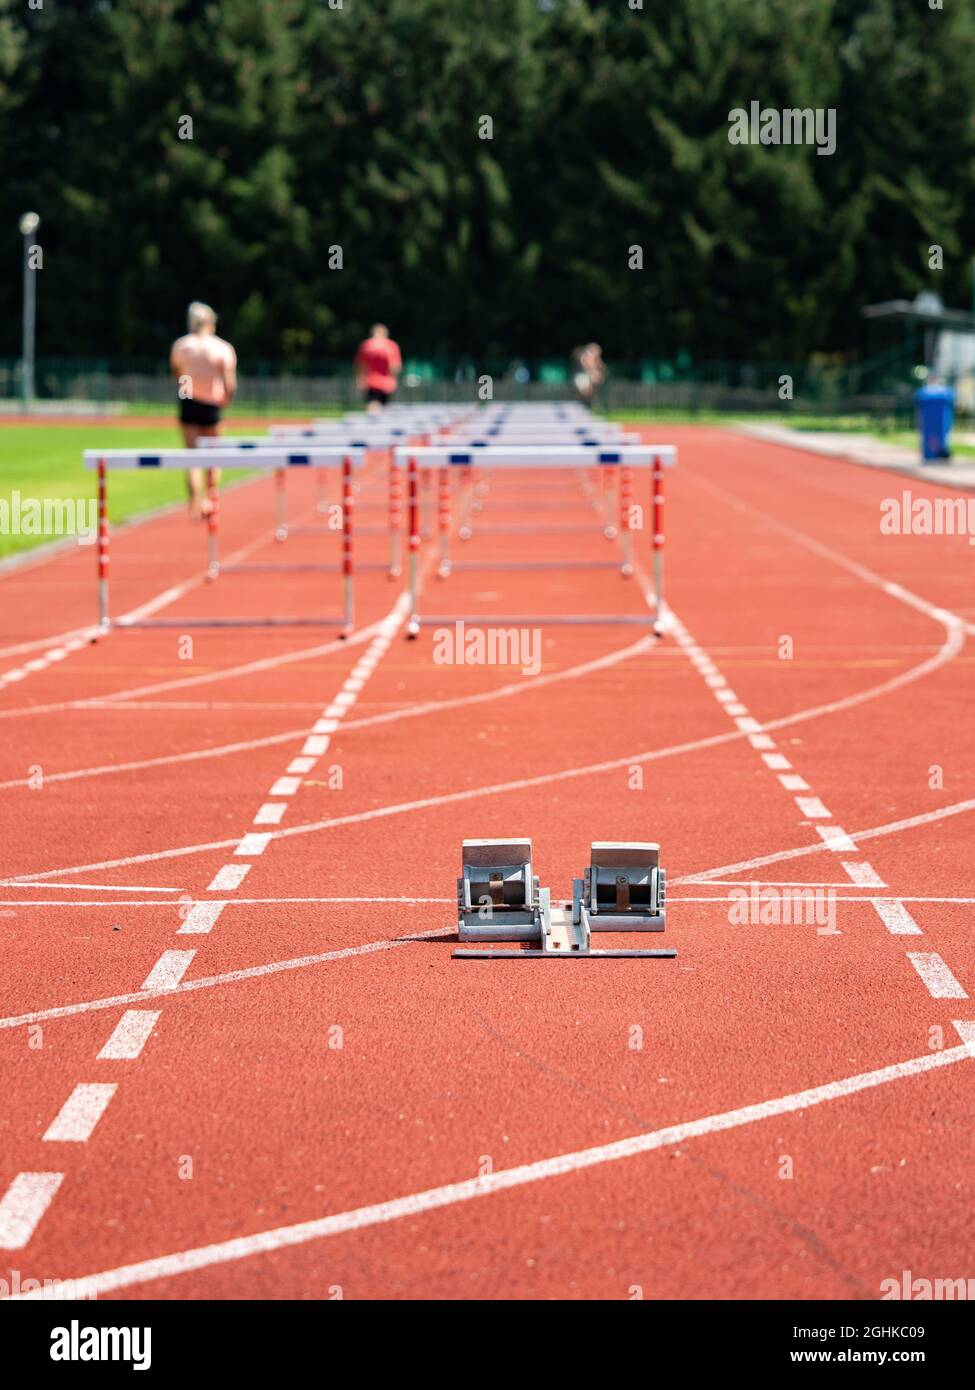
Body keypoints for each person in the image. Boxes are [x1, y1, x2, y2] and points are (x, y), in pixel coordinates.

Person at [170, 302, 237, 518]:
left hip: (188, 400)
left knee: (192, 457)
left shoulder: (182, 345)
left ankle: (194, 505)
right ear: (211, 323)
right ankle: (210, 499)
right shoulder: (222, 348)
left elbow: (177, 373)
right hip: (212, 404)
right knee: (213, 457)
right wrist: (226, 400)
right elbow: (230, 383)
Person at [354, 323, 402, 413]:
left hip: (370, 382)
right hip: (387, 383)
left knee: (373, 408)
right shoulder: (391, 346)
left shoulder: (366, 345)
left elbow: (361, 366)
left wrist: (359, 379)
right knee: (384, 410)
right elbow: (394, 368)